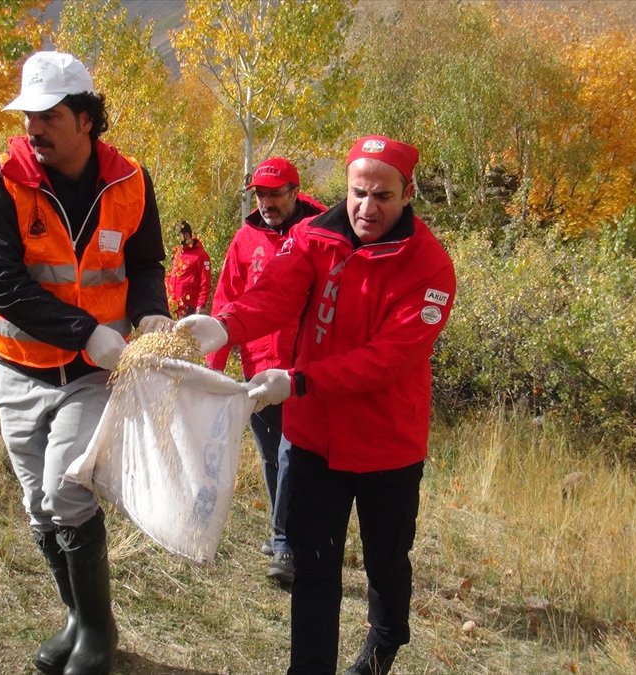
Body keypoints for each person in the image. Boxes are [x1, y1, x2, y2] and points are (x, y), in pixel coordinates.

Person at [178, 135, 456, 675]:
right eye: (358, 193)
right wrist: (225, 325)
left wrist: (299, 381)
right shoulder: (312, 237)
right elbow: (276, 293)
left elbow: (387, 361)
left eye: (382, 196)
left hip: (387, 445)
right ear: (345, 188)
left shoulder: (430, 267)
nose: (366, 208)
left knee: (384, 561)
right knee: (312, 567)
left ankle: (385, 642)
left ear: (408, 194)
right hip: (313, 440)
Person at [0, 51, 173, 675]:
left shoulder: (131, 181)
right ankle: (78, 619)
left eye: (49, 113)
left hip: (92, 375)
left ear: (86, 119)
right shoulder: (0, 179)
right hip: (20, 369)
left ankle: (99, 636)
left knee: (66, 489)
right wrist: (86, 331)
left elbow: (144, 265)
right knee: (38, 505)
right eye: (28, 113)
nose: (34, 126)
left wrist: (150, 316)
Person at [206, 157, 326, 586]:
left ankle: (284, 542)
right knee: (271, 454)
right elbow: (226, 299)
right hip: (257, 365)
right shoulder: (245, 239)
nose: (268, 202)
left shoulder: (319, 233)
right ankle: (284, 533)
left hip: (300, 370)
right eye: (261, 194)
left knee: (292, 455)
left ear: (295, 191)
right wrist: (214, 369)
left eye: (276, 193)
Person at [165, 220, 212, 318]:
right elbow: (171, 276)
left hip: (189, 308)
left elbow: (205, 282)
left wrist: (201, 305)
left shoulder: (200, 255)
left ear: (186, 235)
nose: (175, 240)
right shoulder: (178, 254)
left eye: (178, 236)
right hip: (173, 307)